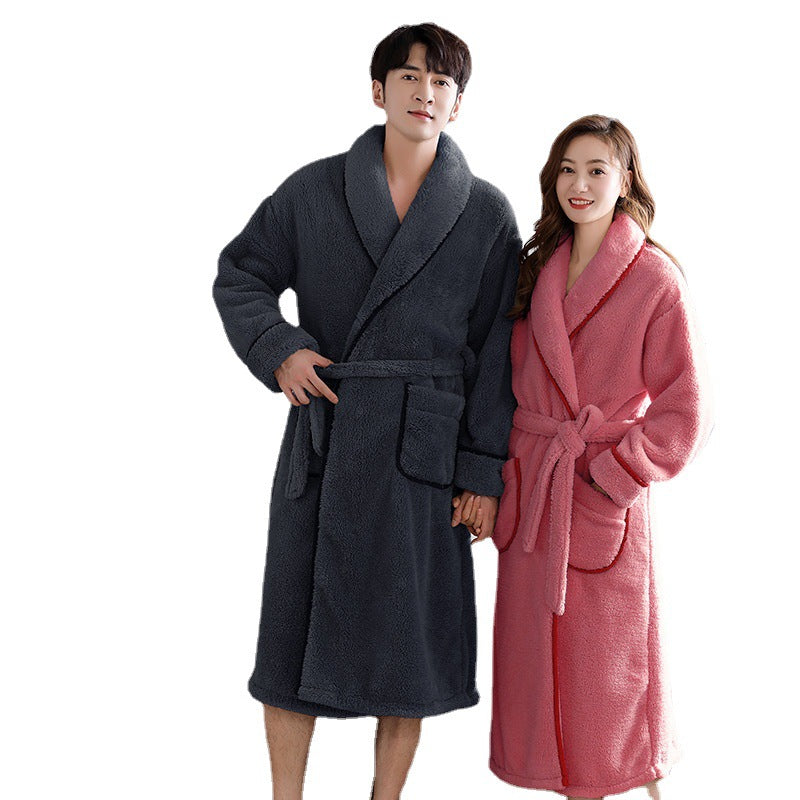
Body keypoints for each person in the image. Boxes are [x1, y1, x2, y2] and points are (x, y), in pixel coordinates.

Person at [212, 23, 520, 800]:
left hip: (424, 453)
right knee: (291, 645)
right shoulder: (312, 191)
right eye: (409, 77)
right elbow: (241, 273)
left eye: (442, 81)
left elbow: (497, 353)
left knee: (405, 653)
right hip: (329, 436)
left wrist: (483, 472)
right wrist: (279, 347)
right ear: (378, 90)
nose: (425, 92)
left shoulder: (486, 213)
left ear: (458, 103)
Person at [488, 115, 712, 799]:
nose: (579, 185)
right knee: (541, 686)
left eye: (596, 170)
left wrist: (616, 475)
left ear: (625, 180)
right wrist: (493, 476)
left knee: (613, 692)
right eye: (567, 169)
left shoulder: (653, 279)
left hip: (597, 496)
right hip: (535, 492)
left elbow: (686, 409)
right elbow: (502, 382)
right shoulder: (535, 270)